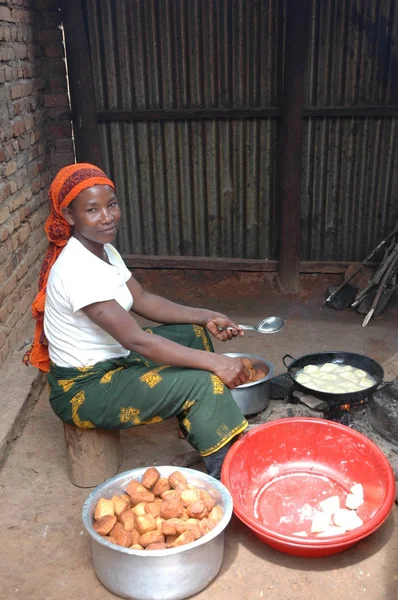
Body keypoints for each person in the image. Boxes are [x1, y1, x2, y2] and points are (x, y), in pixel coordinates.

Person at [24, 163, 249, 479]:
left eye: (111, 204)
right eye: (93, 210)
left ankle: (198, 426)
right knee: (204, 381)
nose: (107, 217)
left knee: (194, 334)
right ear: (70, 216)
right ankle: (231, 477)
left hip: (115, 359)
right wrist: (218, 363)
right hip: (84, 387)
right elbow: (137, 340)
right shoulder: (76, 268)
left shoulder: (103, 251)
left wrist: (206, 315)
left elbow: (143, 300)